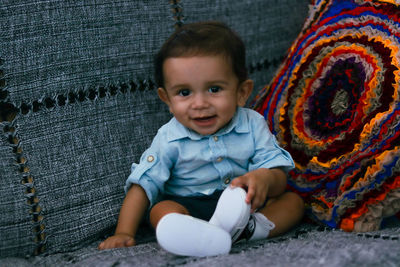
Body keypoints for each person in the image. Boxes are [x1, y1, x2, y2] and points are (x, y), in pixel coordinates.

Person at [98, 21, 304, 256]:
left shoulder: (253, 124)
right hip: (188, 208)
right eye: (184, 93)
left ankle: (247, 231)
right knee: (161, 210)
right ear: (167, 100)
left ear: (241, 92)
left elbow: (278, 176)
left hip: (242, 205)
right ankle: (197, 235)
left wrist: (264, 178)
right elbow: (143, 186)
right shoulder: (169, 139)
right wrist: (124, 232)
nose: (200, 104)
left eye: (214, 89)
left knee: (293, 202)